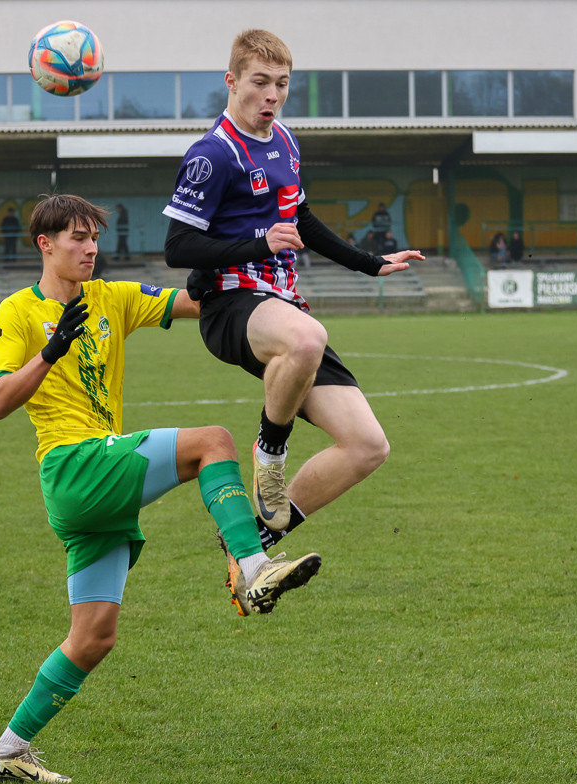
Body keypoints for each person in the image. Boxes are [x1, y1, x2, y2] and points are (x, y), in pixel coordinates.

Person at [0, 194, 321, 784]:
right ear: (45, 244)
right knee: (212, 440)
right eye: (78, 239)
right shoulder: (18, 312)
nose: (90, 249)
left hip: (94, 493)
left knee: (93, 639)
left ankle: (8, 750)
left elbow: (195, 302)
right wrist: (48, 353)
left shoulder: (110, 298)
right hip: (74, 464)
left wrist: (257, 288)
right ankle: (251, 564)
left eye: (94, 239)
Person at [163, 29, 424, 553]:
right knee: (306, 339)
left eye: (281, 84)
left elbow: (301, 219)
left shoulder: (284, 142)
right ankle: (270, 453)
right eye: (260, 82)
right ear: (232, 82)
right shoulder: (212, 155)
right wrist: (256, 243)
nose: (272, 95)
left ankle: (255, 541)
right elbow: (178, 247)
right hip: (230, 303)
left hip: (281, 306)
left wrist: (370, 264)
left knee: (368, 446)